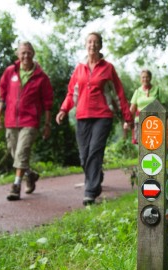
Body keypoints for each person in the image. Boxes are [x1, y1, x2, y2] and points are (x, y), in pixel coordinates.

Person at [55, 32, 133, 206]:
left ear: (100, 46)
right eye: (90, 42)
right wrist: (63, 110)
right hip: (82, 115)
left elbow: (119, 93)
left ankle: (90, 192)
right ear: (85, 45)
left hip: (103, 115)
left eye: (96, 42)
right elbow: (71, 93)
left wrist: (128, 117)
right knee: (84, 156)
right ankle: (96, 176)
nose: (92, 45)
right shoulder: (79, 68)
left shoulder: (108, 68)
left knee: (95, 151)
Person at [0, 41, 54, 201]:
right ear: (17, 55)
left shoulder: (41, 77)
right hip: (11, 120)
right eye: (23, 53)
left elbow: (48, 103)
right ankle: (30, 174)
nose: (26, 55)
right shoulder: (10, 72)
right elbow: (2, 96)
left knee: (22, 152)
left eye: (28, 52)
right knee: (15, 153)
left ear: (33, 54)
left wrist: (47, 124)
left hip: (30, 120)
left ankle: (16, 185)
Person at [126, 69, 161, 144]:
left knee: (153, 145)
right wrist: (127, 121)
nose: (145, 79)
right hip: (139, 121)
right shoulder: (137, 91)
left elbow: (163, 106)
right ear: (140, 79)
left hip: (154, 121)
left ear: (150, 78)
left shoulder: (157, 89)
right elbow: (132, 109)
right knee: (141, 146)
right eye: (143, 77)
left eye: (147, 77)